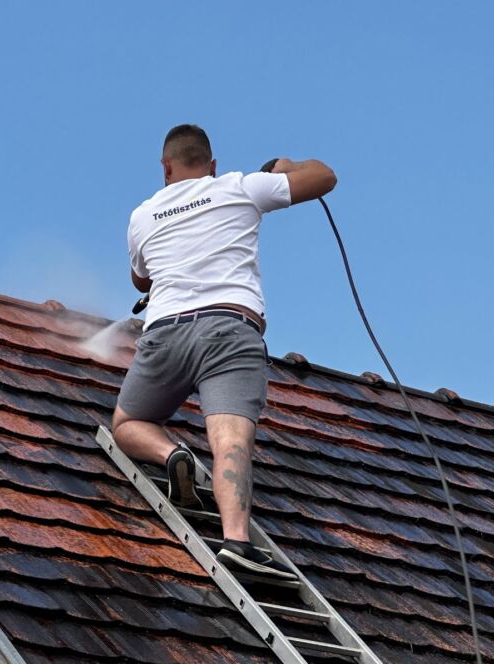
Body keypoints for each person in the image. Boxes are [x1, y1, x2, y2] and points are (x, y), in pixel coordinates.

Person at [112, 124, 336, 579]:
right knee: (231, 439)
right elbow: (325, 177)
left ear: (165, 167)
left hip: (166, 333)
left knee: (128, 423)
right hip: (230, 331)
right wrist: (285, 168)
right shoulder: (239, 187)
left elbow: (141, 280)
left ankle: (173, 456)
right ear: (211, 165)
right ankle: (236, 541)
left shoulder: (142, 215)